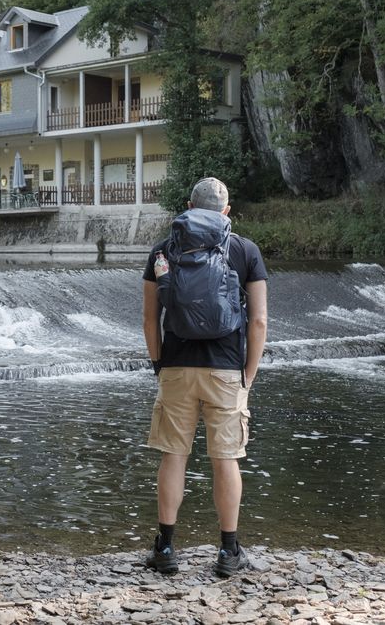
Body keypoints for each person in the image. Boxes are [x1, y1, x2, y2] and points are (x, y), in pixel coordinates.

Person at [141, 177, 268, 578]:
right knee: (225, 460)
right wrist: (248, 373)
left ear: (189, 205)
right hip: (227, 369)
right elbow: (260, 320)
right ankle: (229, 553)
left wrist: (159, 364)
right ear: (225, 211)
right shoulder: (245, 250)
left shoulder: (163, 250)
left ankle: (164, 549)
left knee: (173, 456)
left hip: (177, 367)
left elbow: (150, 318)